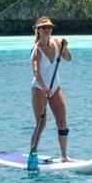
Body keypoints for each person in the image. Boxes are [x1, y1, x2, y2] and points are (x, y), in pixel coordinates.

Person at [29, 16, 73, 162]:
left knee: (61, 121)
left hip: (55, 87)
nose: (47, 30)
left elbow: (68, 58)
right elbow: (36, 72)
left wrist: (64, 48)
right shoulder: (36, 50)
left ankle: (64, 156)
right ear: (38, 30)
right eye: (44, 28)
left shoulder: (57, 43)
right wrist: (44, 87)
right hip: (39, 88)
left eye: (49, 27)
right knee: (41, 123)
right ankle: (33, 152)